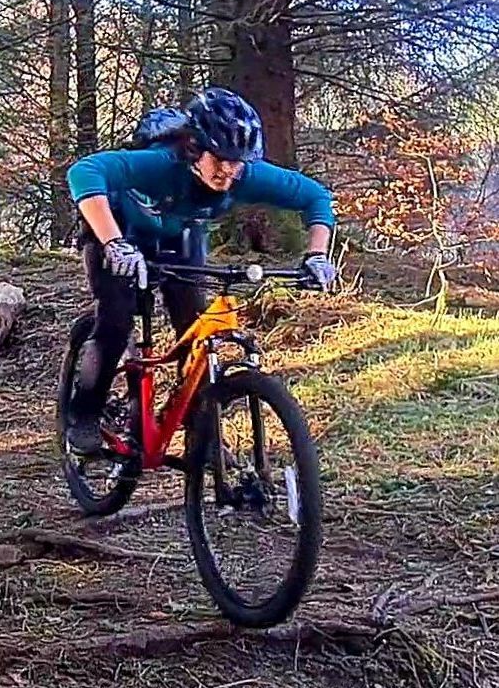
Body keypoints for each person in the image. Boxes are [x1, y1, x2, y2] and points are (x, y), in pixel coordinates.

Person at [64, 87, 337, 455]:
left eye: (237, 161)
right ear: (195, 148)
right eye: (220, 158)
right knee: (115, 320)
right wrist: (113, 243)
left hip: (179, 236)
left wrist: (317, 254)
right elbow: (85, 171)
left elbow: (315, 196)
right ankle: (83, 415)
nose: (228, 170)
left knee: (194, 329)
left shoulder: (243, 174)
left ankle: (200, 432)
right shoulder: (163, 165)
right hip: (117, 230)